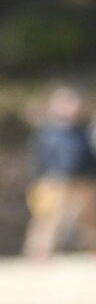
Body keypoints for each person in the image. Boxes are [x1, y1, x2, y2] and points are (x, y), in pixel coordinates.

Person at [23, 84, 96, 260]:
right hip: (53, 181)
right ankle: (39, 254)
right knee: (47, 220)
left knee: (89, 220)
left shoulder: (84, 131)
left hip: (83, 180)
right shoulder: (47, 132)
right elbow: (38, 158)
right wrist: (38, 180)